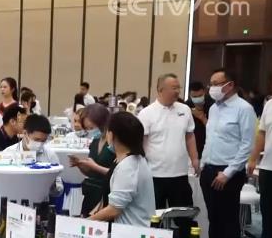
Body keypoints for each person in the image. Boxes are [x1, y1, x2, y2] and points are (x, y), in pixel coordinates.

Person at [200, 68, 256, 238]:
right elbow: (211, 139)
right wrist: (203, 163)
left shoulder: (244, 109)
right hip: (210, 169)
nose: (211, 88)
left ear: (229, 85)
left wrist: (229, 172)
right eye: (211, 83)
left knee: (228, 220)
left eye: (216, 83)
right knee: (213, 218)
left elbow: (246, 145)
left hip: (229, 173)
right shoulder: (214, 108)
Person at [138, 74, 199, 212]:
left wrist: (195, 159)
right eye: (173, 88)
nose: (177, 91)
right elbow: (141, 143)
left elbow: (190, 136)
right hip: (154, 175)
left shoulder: (185, 109)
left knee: (184, 217)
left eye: (178, 88)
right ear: (160, 90)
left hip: (180, 174)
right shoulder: (146, 113)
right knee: (154, 217)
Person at [88, 112, 156, 226]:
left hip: (130, 231)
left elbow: (114, 209)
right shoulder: (126, 160)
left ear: (112, 135)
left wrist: (85, 222)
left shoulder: (128, 166)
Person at [248, 73, 272, 238]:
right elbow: (262, 134)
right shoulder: (270, 104)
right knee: (268, 208)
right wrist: (253, 159)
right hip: (269, 165)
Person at [70, 104, 115, 217]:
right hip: (91, 192)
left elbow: (117, 173)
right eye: (87, 129)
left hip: (107, 193)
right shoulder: (95, 141)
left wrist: (94, 166)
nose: (90, 131)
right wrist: (80, 165)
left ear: (103, 123)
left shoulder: (113, 142)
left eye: (91, 128)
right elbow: (91, 173)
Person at [3, 114, 63, 197]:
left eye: (43, 141)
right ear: (25, 133)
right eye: (37, 139)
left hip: (41, 201)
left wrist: (53, 186)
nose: (40, 144)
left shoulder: (50, 155)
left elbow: (59, 190)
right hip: (14, 200)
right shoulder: (9, 153)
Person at [185, 81, 213, 157]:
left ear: (204, 92)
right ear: (190, 95)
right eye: (194, 97)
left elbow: (215, 130)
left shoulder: (213, 105)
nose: (197, 99)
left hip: (209, 145)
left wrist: (202, 118)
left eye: (200, 95)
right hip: (193, 146)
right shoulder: (186, 106)